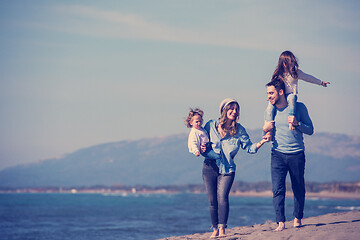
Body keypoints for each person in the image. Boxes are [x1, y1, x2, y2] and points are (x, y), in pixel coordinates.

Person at [200, 98, 270, 238]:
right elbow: (202, 142)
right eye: (231, 108)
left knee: (222, 197)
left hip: (227, 169)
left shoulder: (239, 130)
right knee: (212, 201)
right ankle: (214, 229)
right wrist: (201, 147)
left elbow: (249, 147)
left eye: (236, 109)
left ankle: (222, 230)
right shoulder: (210, 125)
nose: (234, 111)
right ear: (224, 110)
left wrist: (262, 141)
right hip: (209, 167)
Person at [265, 79, 314, 231]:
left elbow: (310, 129)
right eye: (267, 94)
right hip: (277, 154)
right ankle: (280, 222)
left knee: (298, 187)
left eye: (271, 93)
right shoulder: (271, 110)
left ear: (281, 92)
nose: (268, 97)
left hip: (296, 154)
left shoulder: (299, 107)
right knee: (277, 189)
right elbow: (267, 133)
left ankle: (297, 218)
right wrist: (265, 130)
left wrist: (298, 123)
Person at [263, 50, 329, 132]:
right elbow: (272, 85)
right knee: (269, 108)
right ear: (283, 63)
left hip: (290, 93)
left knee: (292, 99)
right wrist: (271, 96)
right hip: (280, 95)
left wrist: (320, 82)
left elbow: (308, 77)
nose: (292, 64)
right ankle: (268, 128)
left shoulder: (296, 73)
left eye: (293, 62)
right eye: (290, 62)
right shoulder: (278, 73)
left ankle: (291, 119)